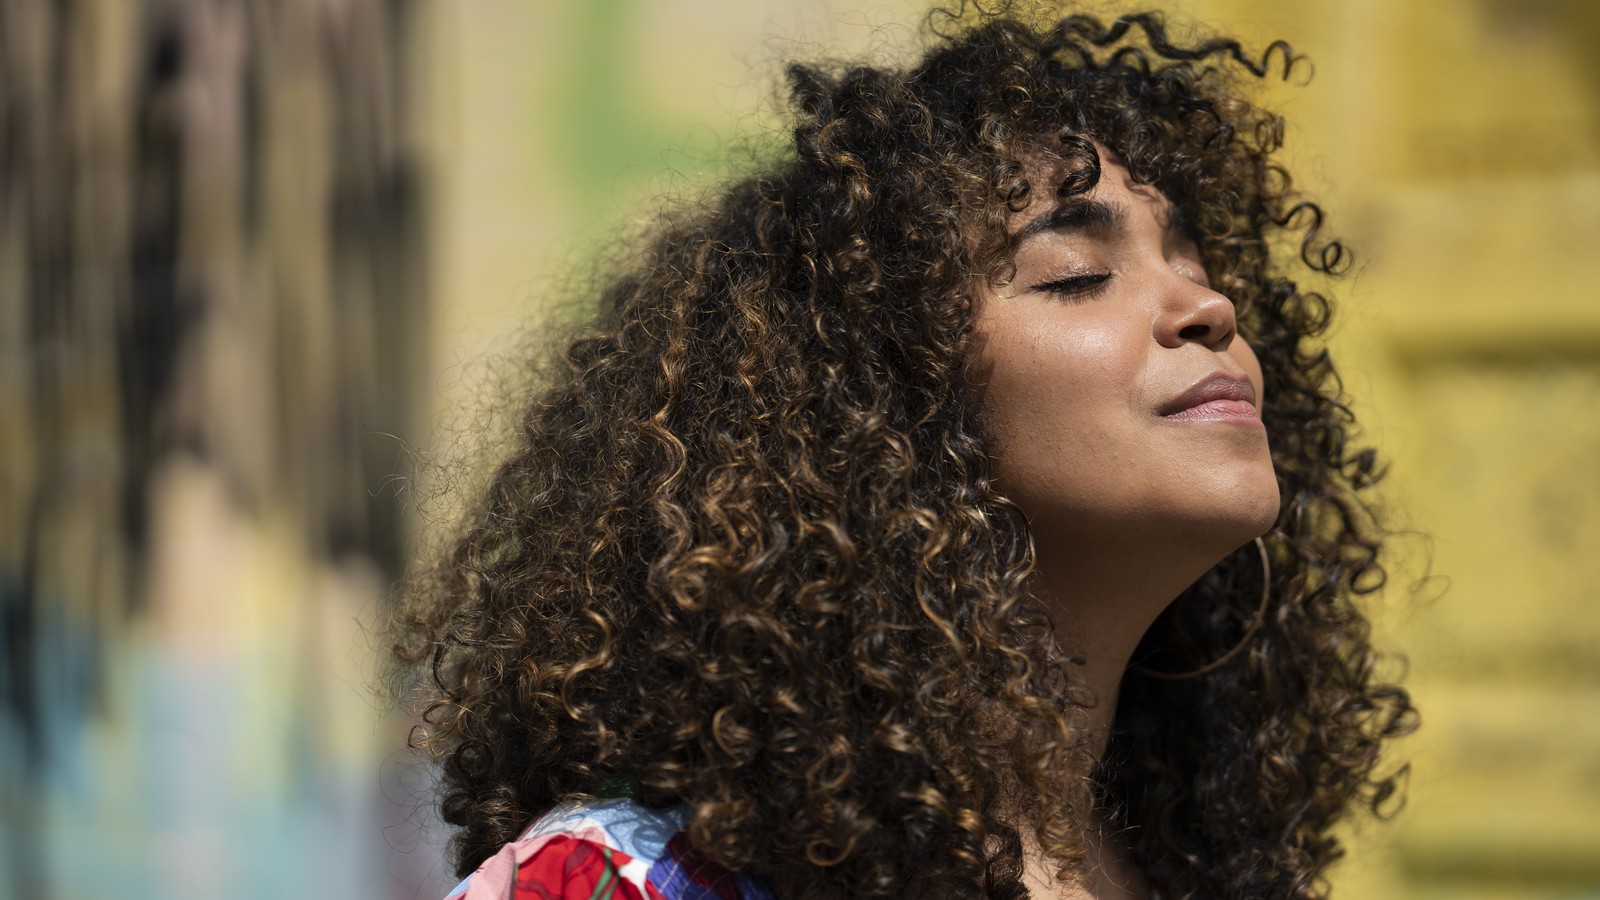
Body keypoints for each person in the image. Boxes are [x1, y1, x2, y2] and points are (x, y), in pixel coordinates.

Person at [392, 4, 1416, 898]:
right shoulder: (616, 887)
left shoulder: (1208, 875)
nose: (1208, 306)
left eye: (1189, 255)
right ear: (878, 401)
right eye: (1070, 270)